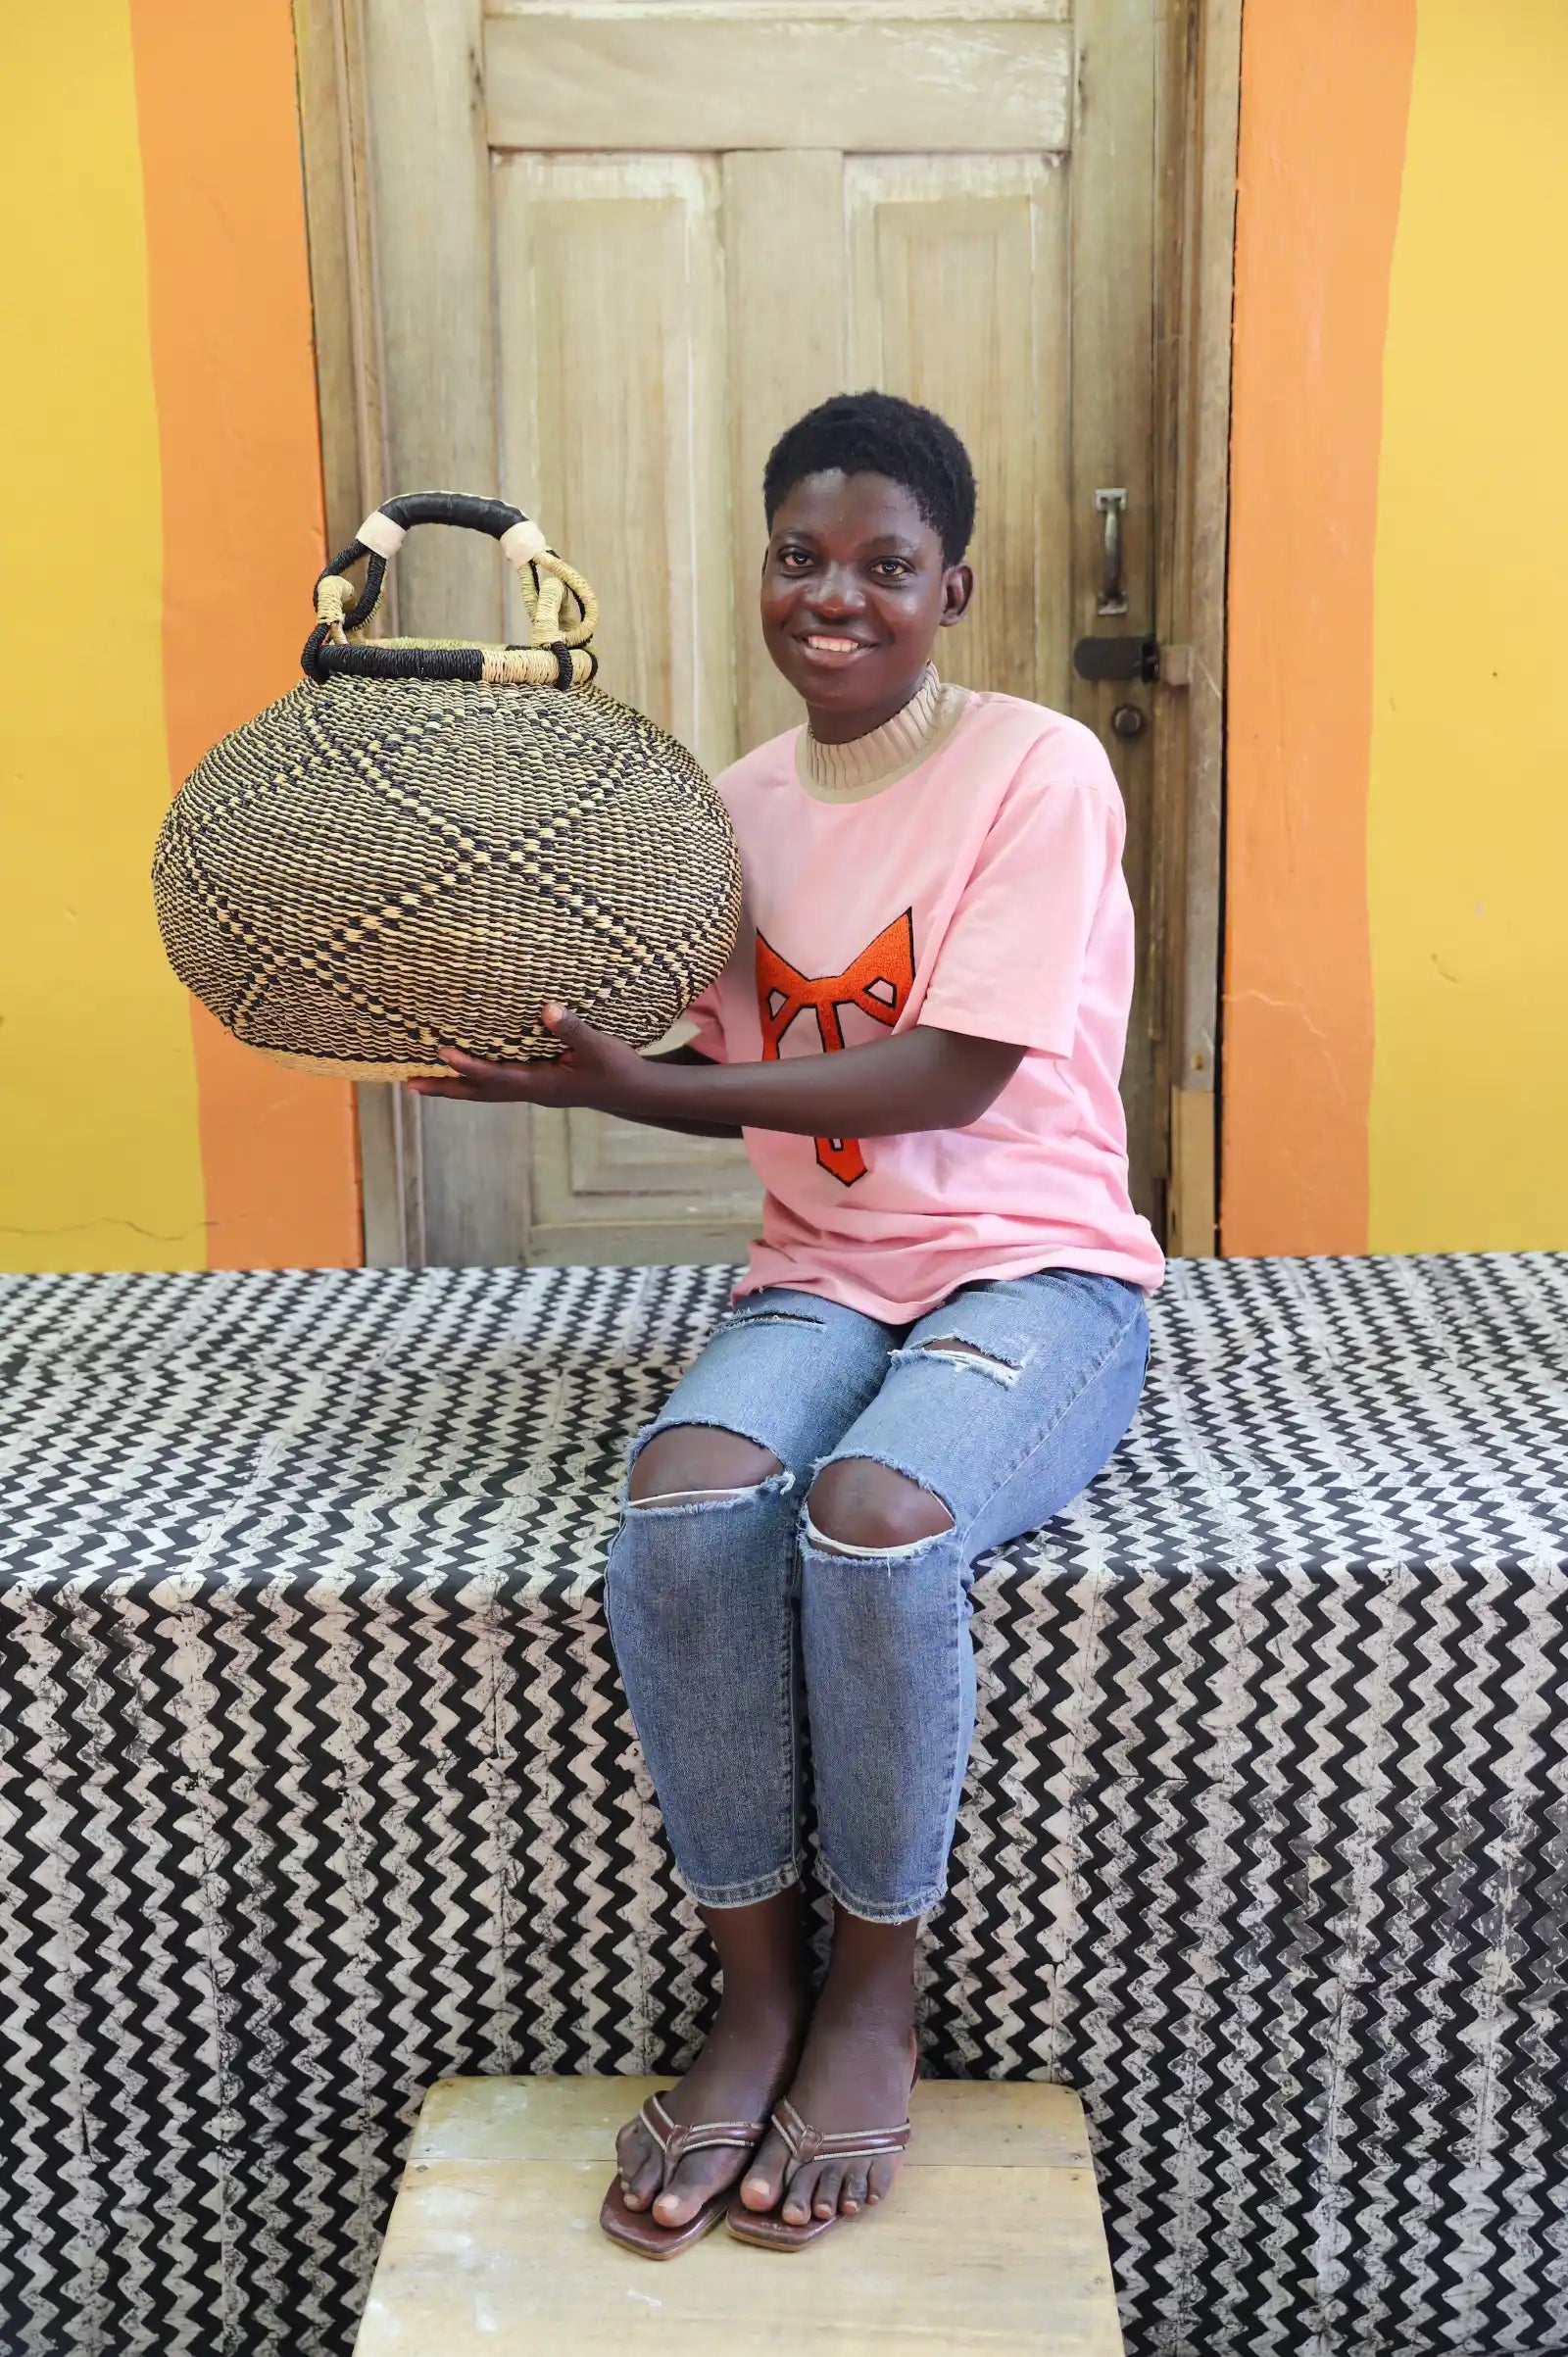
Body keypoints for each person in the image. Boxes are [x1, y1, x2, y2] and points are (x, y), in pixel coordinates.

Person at [411, 390, 1163, 2256]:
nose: (836, 597)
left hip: (1039, 1266)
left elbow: (954, 1068)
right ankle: (756, 1987)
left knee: (876, 1515)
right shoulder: (730, 811)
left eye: (885, 566)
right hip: (822, 1266)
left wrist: (633, 1093)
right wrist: (556, 1066)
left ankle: (875, 1990)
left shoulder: (1041, 767)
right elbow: (712, 1060)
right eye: (800, 557)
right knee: (680, 1499)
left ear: (951, 587)